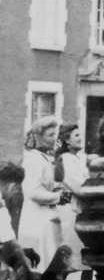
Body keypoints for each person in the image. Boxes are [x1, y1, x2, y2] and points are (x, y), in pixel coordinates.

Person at [18, 116, 69, 270]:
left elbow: (56, 180)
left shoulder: (44, 158)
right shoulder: (33, 159)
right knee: (41, 269)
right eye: (50, 135)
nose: (55, 138)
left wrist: (58, 157)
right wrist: (57, 197)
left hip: (46, 220)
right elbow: (32, 192)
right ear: (39, 138)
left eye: (56, 134)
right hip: (36, 222)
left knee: (49, 268)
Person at [54, 124, 93, 280]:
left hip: (84, 212)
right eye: (76, 135)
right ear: (66, 140)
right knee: (68, 261)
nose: (80, 138)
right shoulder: (65, 159)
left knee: (88, 263)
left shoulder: (81, 159)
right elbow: (77, 186)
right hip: (70, 213)